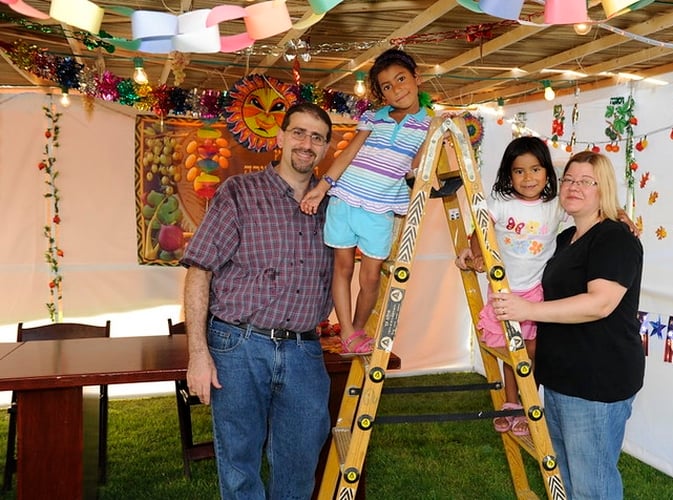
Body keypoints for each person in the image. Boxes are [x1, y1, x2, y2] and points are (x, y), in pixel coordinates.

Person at [181, 102, 335, 499]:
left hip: (304, 349)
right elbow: (200, 270)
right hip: (238, 345)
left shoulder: (334, 206)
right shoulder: (239, 192)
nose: (306, 144)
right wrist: (198, 353)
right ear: (280, 138)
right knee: (239, 465)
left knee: (301, 465)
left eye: (317, 138)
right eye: (299, 133)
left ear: (326, 149)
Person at [489, 150, 644, 500]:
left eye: (586, 181)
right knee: (566, 480)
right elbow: (521, 255)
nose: (574, 187)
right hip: (560, 380)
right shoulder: (564, 239)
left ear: (603, 188)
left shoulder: (615, 238)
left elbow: (600, 303)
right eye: (570, 179)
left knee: (593, 487)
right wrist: (475, 255)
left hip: (596, 383)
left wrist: (527, 309)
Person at [300, 48, 432, 356]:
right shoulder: (374, 117)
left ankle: (357, 329)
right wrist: (322, 187)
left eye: (401, 79)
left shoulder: (430, 124)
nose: (396, 89)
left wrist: (424, 179)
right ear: (381, 93)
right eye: (387, 86)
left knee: (371, 274)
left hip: (380, 208)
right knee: (342, 267)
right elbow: (348, 154)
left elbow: (419, 166)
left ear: (416, 78)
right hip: (344, 199)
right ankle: (346, 330)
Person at [455, 136, 562, 437]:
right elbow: (480, 229)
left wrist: (617, 213)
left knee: (532, 350)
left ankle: (530, 404)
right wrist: (476, 253)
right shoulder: (502, 203)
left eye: (536, 170)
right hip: (503, 288)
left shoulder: (554, 205)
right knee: (511, 349)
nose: (528, 178)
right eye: (519, 171)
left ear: (547, 173)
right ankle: (511, 404)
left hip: (536, 291)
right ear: (508, 174)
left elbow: (589, 213)